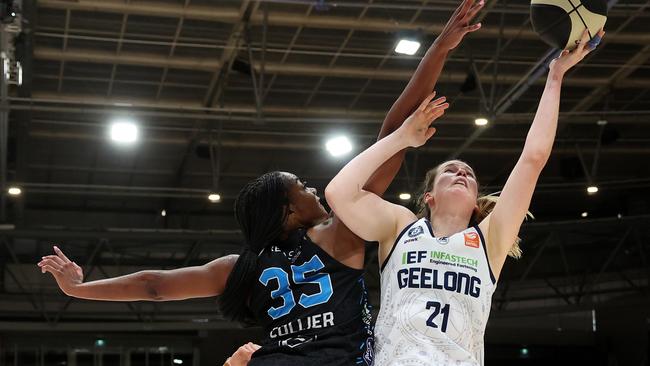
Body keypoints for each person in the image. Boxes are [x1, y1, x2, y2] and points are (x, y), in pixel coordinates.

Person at [37, 1, 484, 364]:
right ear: (288, 211)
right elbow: (391, 134)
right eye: (302, 188)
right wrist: (439, 50)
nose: (313, 191)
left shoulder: (241, 267)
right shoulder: (337, 235)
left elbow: (155, 285)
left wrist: (79, 289)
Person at [325, 29, 605, 366]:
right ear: (428, 196)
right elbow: (338, 193)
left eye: (468, 174)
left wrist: (555, 76)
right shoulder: (399, 227)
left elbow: (533, 159)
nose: (461, 173)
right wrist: (402, 138)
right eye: (450, 171)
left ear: (475, 202)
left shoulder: (490, 239)